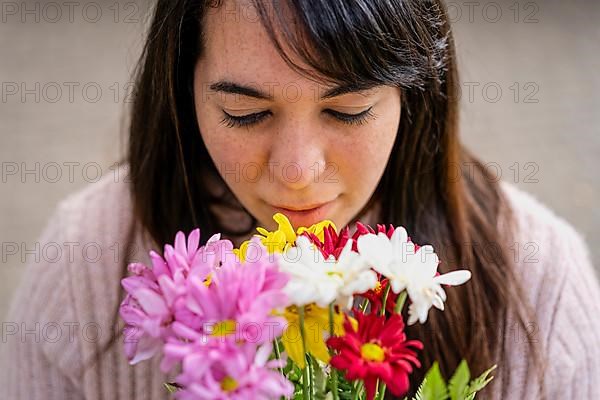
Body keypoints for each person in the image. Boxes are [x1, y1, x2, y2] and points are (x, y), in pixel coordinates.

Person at [2, 0, 599, 399]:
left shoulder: (540, 281)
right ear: (183, 92)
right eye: (246, 113)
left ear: (416, 96)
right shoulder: (88, 258)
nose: (297, 173)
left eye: (348, 110)